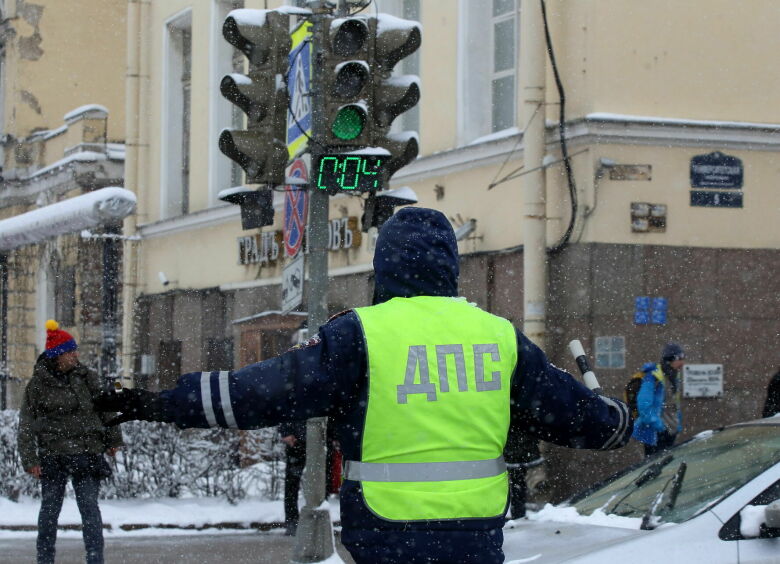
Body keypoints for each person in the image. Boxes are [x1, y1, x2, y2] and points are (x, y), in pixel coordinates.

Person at [95, 207, 633, 564]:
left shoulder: (361, 334)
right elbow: (581, 418)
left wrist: (156, 402)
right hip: (475, 535)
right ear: (450, 265)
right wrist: (619, 421)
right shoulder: (499, 337)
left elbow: (258, 392)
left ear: (384, 267)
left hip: (385, 531)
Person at [18, 320, 123, 564]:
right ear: (57, 355)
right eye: (70, 351)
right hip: (52, 455)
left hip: (87, 453)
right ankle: (45, 559)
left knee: (89, 509)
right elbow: (26, 424)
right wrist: (29, 459)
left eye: (75, 351)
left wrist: (113, 439)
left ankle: (95, 559)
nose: (75, 355)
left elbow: (107, 408)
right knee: (49, 512)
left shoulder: (88, 378)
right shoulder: (37, 386)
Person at [632, 343, 685, 457]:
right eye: (679, 358)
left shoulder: (673, 377)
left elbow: (674, 404)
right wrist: (658, 425)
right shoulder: (653, 376)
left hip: (670, 429)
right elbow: (644, 405)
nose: (682, 362)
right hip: (657, 431)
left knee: (666, 464)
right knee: (654, 465)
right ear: (670, 359)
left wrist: (677, 423)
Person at [503, 422, 541, 520]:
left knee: (517, 483)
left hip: (514, 449)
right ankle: (518, 513)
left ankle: (517, 513)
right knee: (519, 483)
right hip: (521, 448)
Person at [278, 420, 306, 536]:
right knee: (292, 485)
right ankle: (292, 522)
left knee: (323, 484)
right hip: (297, 441)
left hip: (307, 438)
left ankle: (319, 521)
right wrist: (286, 433)